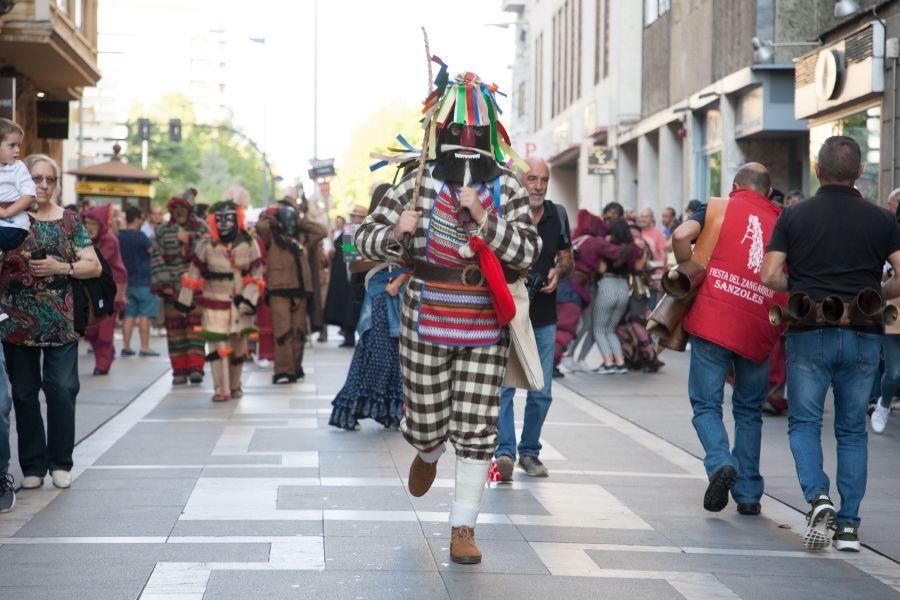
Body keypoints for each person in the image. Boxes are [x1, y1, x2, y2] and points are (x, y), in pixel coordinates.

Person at [356, 67, 540, 565]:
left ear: (489, 136)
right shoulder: (414, 183)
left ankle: (463, 527)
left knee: (479, 429)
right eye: (457, 131)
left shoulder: (507, 188)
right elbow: (361, 240)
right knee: (429, 420)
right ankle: (429, 450)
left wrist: (485, 217)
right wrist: (397, 229)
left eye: (476, 133)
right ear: (440, 131)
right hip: (424, 322)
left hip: (485, 326)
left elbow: (526, 254)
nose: (465, 141)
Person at [761, 136, 900, 553]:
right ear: (859, 172)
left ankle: (818, 497)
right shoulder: (881, 219)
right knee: (852, 430)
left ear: (817, 170)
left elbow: (769, 275)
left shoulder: (794, 216)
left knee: (804, 423)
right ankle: (849, 527)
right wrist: (879, 291)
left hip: (809, 330)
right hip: (862, 331)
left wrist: (801, 283)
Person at [673, 163, 786, 518]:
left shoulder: (720, 207)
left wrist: (687, 269)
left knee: (707, 404)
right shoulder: (782, 218)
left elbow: (680, 235)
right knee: (750, 409)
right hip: (758, 324)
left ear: (735, 186)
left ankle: (721, 461)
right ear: (768, 192)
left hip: (713, 319)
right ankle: (749, 494)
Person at [0, 154, 102, 491]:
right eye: (36, 178)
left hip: (61, 322)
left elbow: (94, 266)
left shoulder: (69, 221)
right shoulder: (8, 219)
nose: (43, 185)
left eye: (50, 180)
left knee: (61, 390)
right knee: (25, 395)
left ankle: (60, 461)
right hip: (16, 323)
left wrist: (63, 268)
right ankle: (32, 465)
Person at [494, 156, 572, 481]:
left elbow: (567, 257)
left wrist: (558, 271)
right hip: (510, 312)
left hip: (543, 314)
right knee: (505, 389)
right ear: (519, 182)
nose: (538, 186)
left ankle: (529, 452)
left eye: (543, 180)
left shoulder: (558, 214)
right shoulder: (503, 214)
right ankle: (505, 452)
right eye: (532, 180)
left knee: (542, 391)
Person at [330, 184, 410, 431]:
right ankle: (351, 409)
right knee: (373, 353)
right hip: (372, 297)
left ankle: (392, 412)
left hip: (402, 294)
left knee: (397, 357)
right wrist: (386, 254)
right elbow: (351, 265)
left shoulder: (405, 226)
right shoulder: (353, 231)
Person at [178, 200, 264, 402]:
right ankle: (220, 389)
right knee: (217, 348)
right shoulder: (205, 244)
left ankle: (234, 386)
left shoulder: (249, 243)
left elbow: (257, 274)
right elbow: (193, 273)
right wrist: (185, 301)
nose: (224, 223)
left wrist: (250, 300)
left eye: (229, 218)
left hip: (240, 306)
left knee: (238, 349)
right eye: (219, 219)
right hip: (213, 303)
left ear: (237, 218)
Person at [256, 193, 326, 383]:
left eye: (291, 219)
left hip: (301, 292)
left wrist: (299, 219)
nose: (289, 222)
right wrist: (275, 215)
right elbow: (260, 226)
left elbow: (321, 232)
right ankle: (283, 370)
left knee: (299, 332)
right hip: (279, 291)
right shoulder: (272, 237)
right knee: (283, 331)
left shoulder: (302, 238)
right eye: (285, 219)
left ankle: (295, 368)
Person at [150, 189, 209, 385]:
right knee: (175, 332)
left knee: (196, 330)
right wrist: (164, 283)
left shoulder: (201, 228)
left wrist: (190, 239)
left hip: (196, 289)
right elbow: (155, 256)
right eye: (175, 208)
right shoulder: (163, 230)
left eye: (182, 208)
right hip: (171, 290)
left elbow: (208, 253)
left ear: (189, 209)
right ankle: (179, 372)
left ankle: (196, 369)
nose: (178, 211)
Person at [586, 219, 642, 374]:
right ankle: (620, 362)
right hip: (623, 288)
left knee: (599, 329)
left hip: (607, 285)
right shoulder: (632, 249)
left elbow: (602, 269)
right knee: (611, 329)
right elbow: (638, 267)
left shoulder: (608, 246)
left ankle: (608, 363)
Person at [81, 204, 128, 375]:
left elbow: (97, 263)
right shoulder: (86, 239)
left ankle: (103, 362)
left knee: (104, 331)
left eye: (94, 224)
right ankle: (107, 355)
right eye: (87, 224)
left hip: (110, 291)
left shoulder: (109, 240)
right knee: (92, 330)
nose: (90, 228)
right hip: (92, 290)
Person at [119, 206, 159, 357]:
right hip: (143, 280)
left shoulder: (120, 236)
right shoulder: (141, 236)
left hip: (126, 282)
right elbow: (152, 252)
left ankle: (126, 346)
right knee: (144, 315)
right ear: (136, 219)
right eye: (141, 218)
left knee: (129, 314)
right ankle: (144, 347)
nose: (142, 221)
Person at [0, 118, 36, 254]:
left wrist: (7, 212)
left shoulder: (18, 168)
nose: (17, 150)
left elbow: (30, 195)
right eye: (12, 145)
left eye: (19, 146)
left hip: (13, 227)